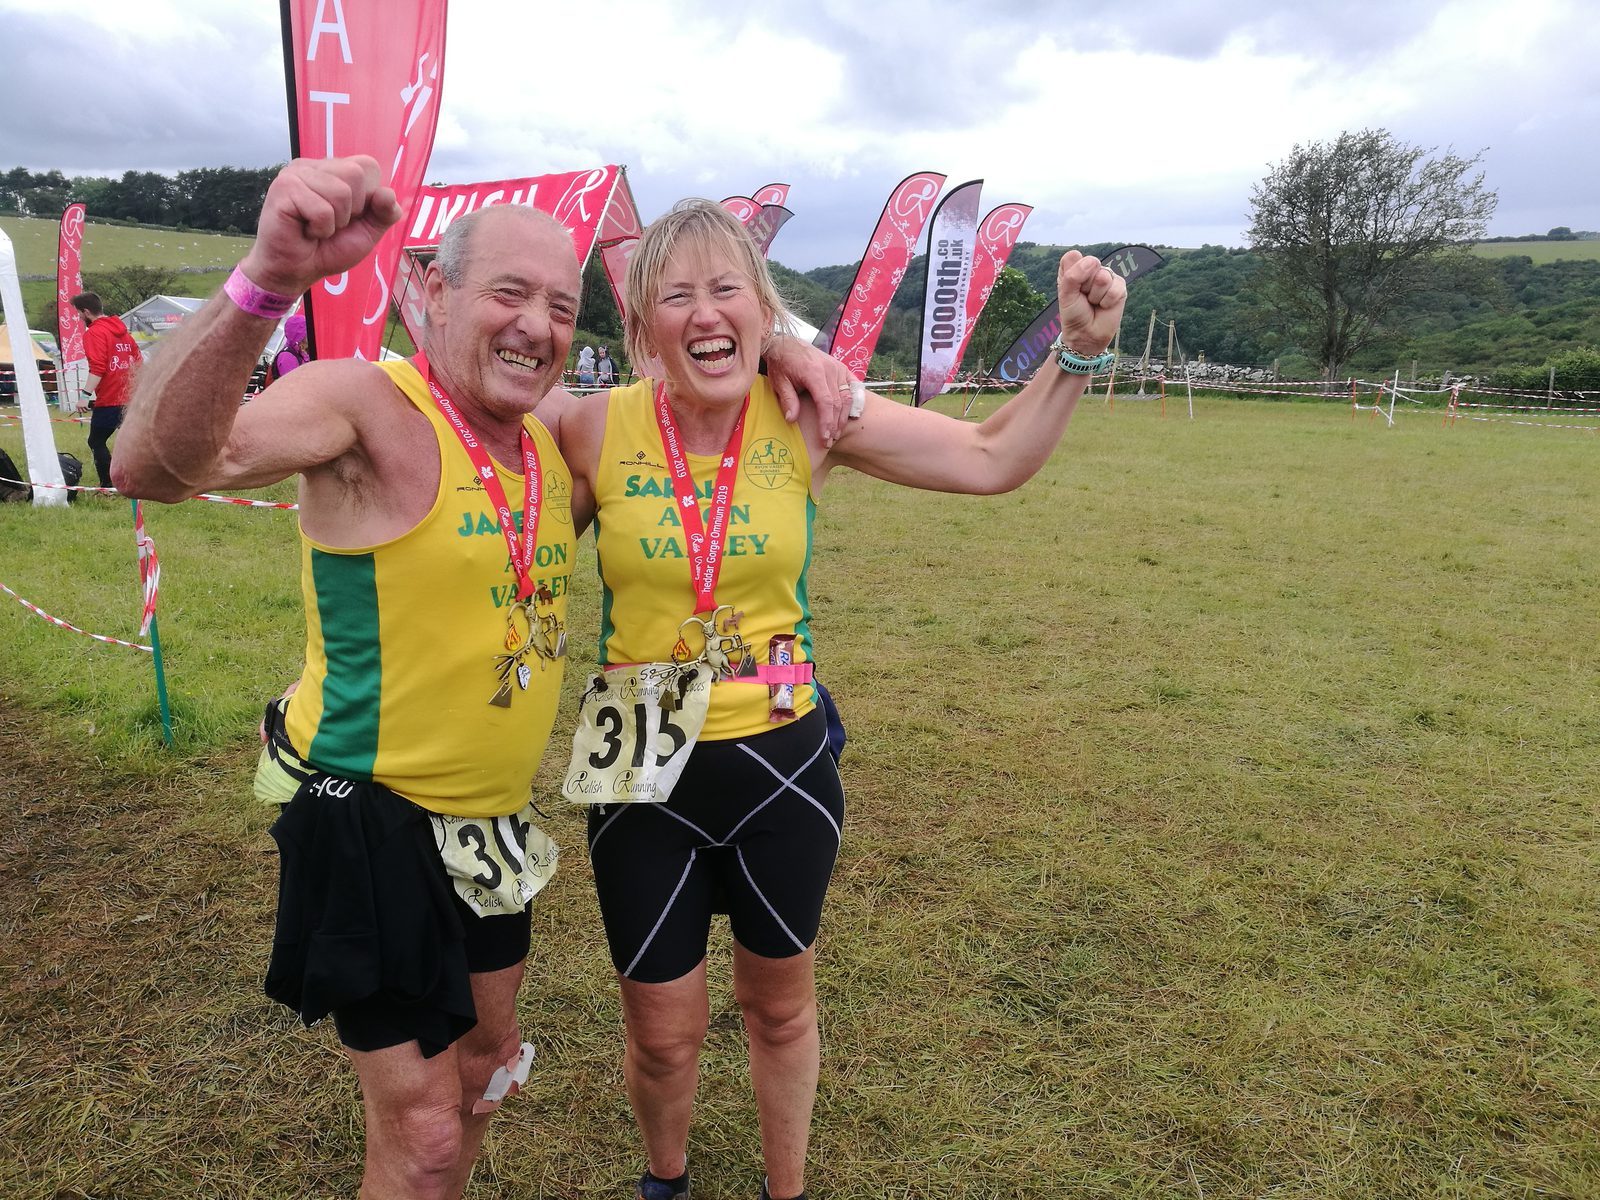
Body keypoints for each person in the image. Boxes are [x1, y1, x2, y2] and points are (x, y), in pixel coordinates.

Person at [112, 157, 854, 1200]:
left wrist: (773, 341)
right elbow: (155, 464)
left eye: (559, 305)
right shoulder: (363, 403)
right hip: (372, 816)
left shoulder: (546, 446)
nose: (536, 325)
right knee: (417, 1135)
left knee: (475, 1086)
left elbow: (691, 367)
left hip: (496, 831)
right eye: (507, 293)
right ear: (429, 293)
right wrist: (266, 281)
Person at [548, 199, 1126, 1200]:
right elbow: (483, 528)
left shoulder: (810, 412)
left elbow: (988, 458)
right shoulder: (592, 431)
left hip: (781, 766)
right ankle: (665, 1181)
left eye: (727, 288)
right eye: (675, 294)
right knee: (660, 1033)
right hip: (641, 775)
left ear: (762, 309)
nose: (704, 312)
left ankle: (787, 1189)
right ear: (642, 327)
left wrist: (1071, 356)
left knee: (779, 1010)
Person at [71, 290, 144, 490]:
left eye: (78, 313)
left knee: (96, 440)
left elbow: (98, 368)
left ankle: (108, 485)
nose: (78, 317)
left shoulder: (94, 333)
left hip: (111, 399)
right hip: (131, 397)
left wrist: (84, 397)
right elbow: (138, 362)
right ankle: (137, 479)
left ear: (86, 311)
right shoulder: (123, 332)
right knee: (130, 441)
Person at [270, 311, 312, 381]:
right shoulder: (287, 357)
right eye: (307, 331)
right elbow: (293, 385)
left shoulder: (303, 351)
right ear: (299, 336)